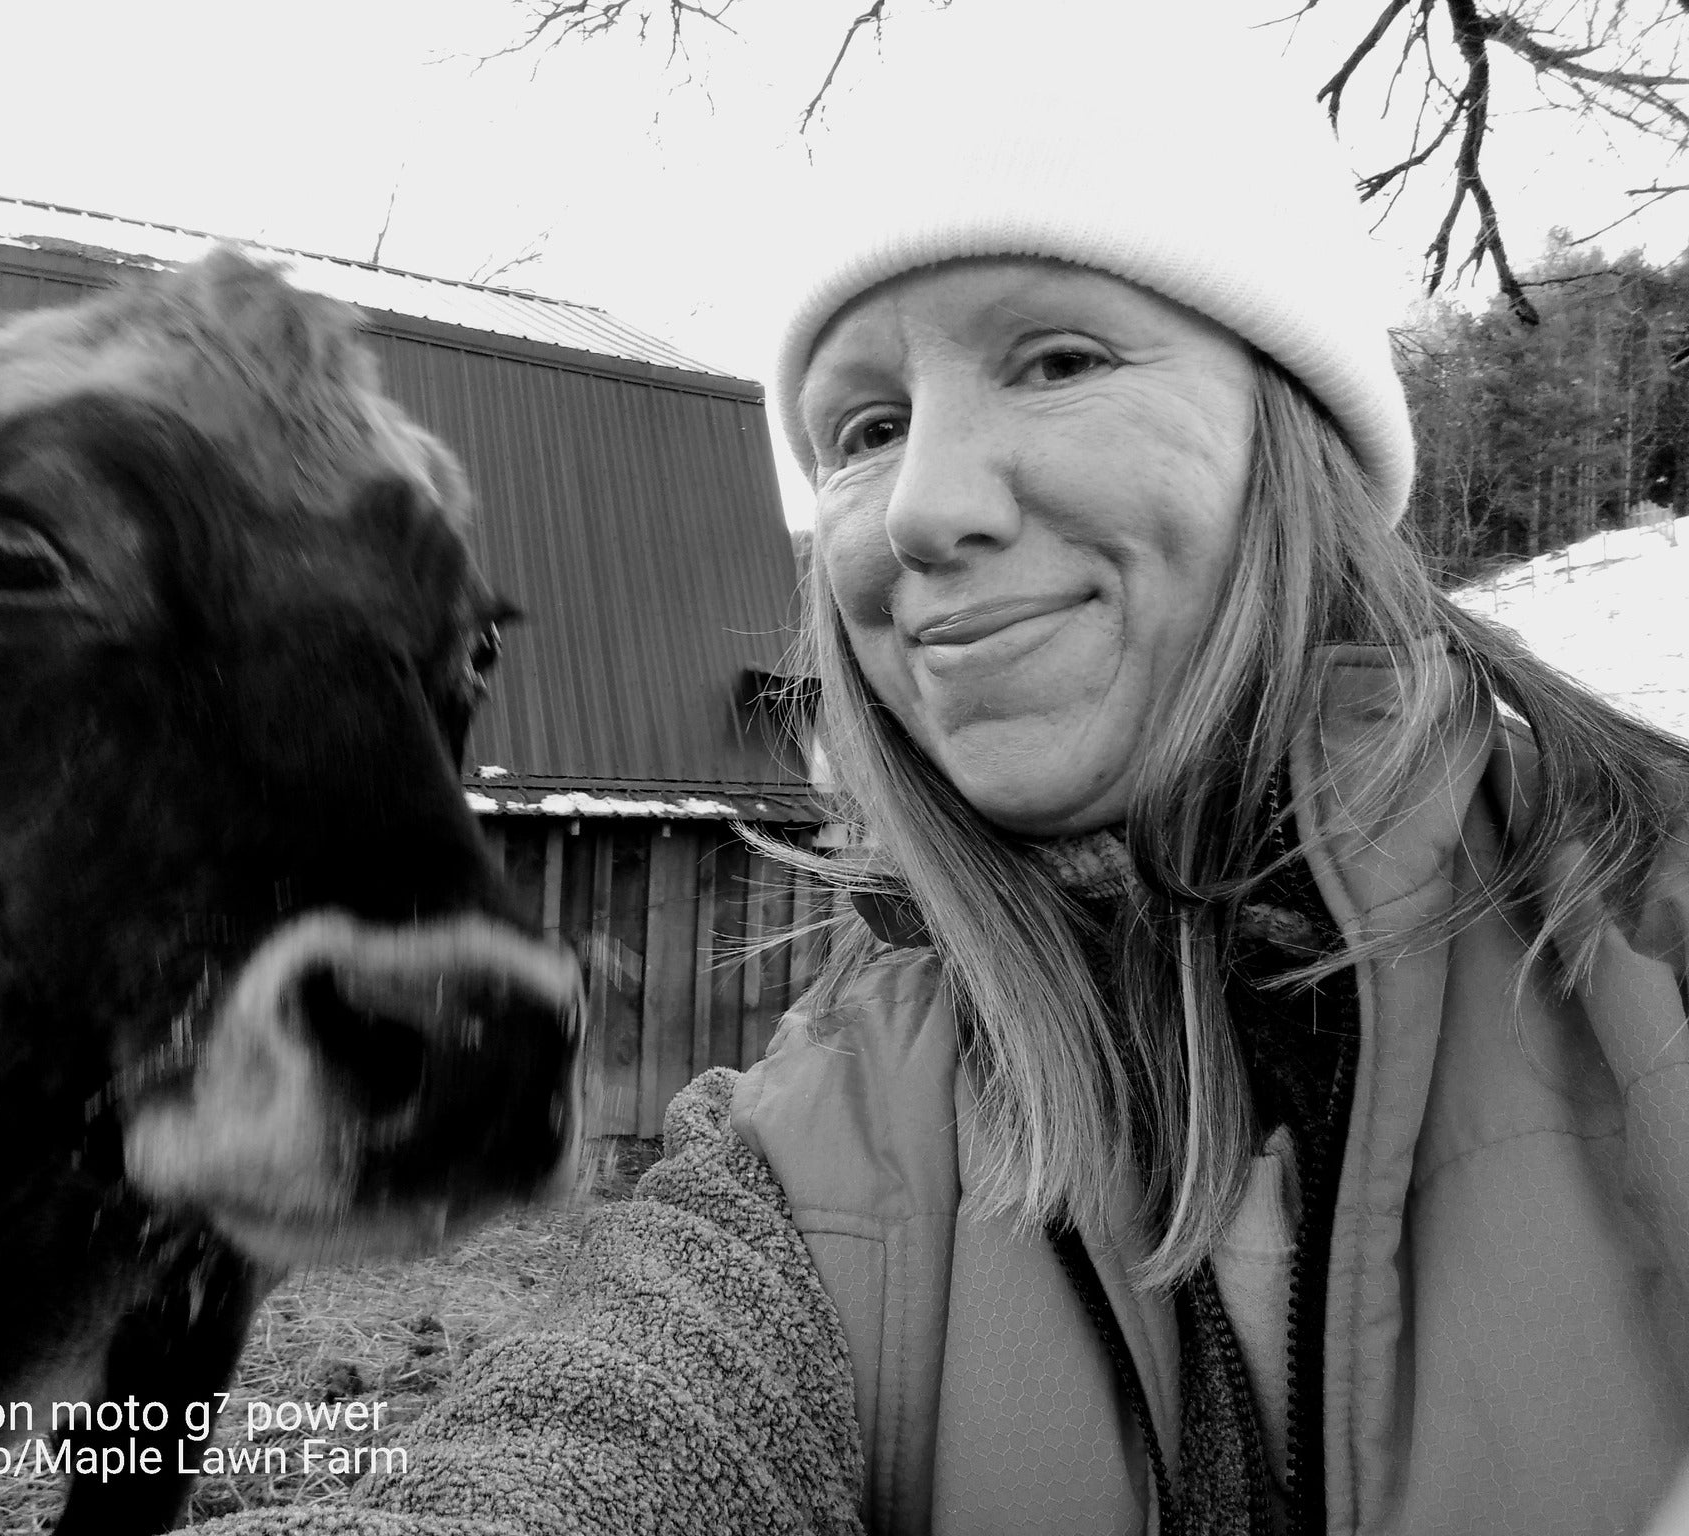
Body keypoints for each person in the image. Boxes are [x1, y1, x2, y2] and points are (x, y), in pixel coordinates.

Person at [195, 33, 1689, 1536]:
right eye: (864, 428)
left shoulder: (1658, 963)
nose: (922, 507)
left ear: (1293, 436)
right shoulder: (820, 1140)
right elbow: (579, 1449)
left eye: (1057, 360)